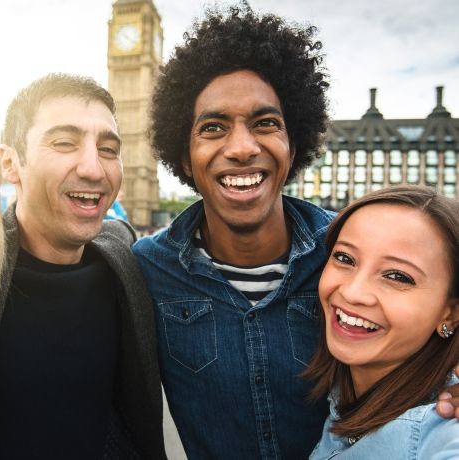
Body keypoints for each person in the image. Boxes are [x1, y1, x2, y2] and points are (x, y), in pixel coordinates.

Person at [133, 4, 459, 459]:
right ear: (184, 158)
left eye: (266, 123)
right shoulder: (145, 268)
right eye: (213, 127)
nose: (243, 147)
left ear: (295, 144)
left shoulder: (345, 254)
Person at [0, 73, 166, 460]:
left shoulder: (125, 258)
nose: (93, 168)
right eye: (63, 143)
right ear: (10, 163)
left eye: (108, 148)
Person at [307, 185, 459, 459]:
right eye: (345, 258)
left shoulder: (441, 434)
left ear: (451, 313)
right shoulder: (344, 394)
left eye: (398, 276)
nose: (353, 292)